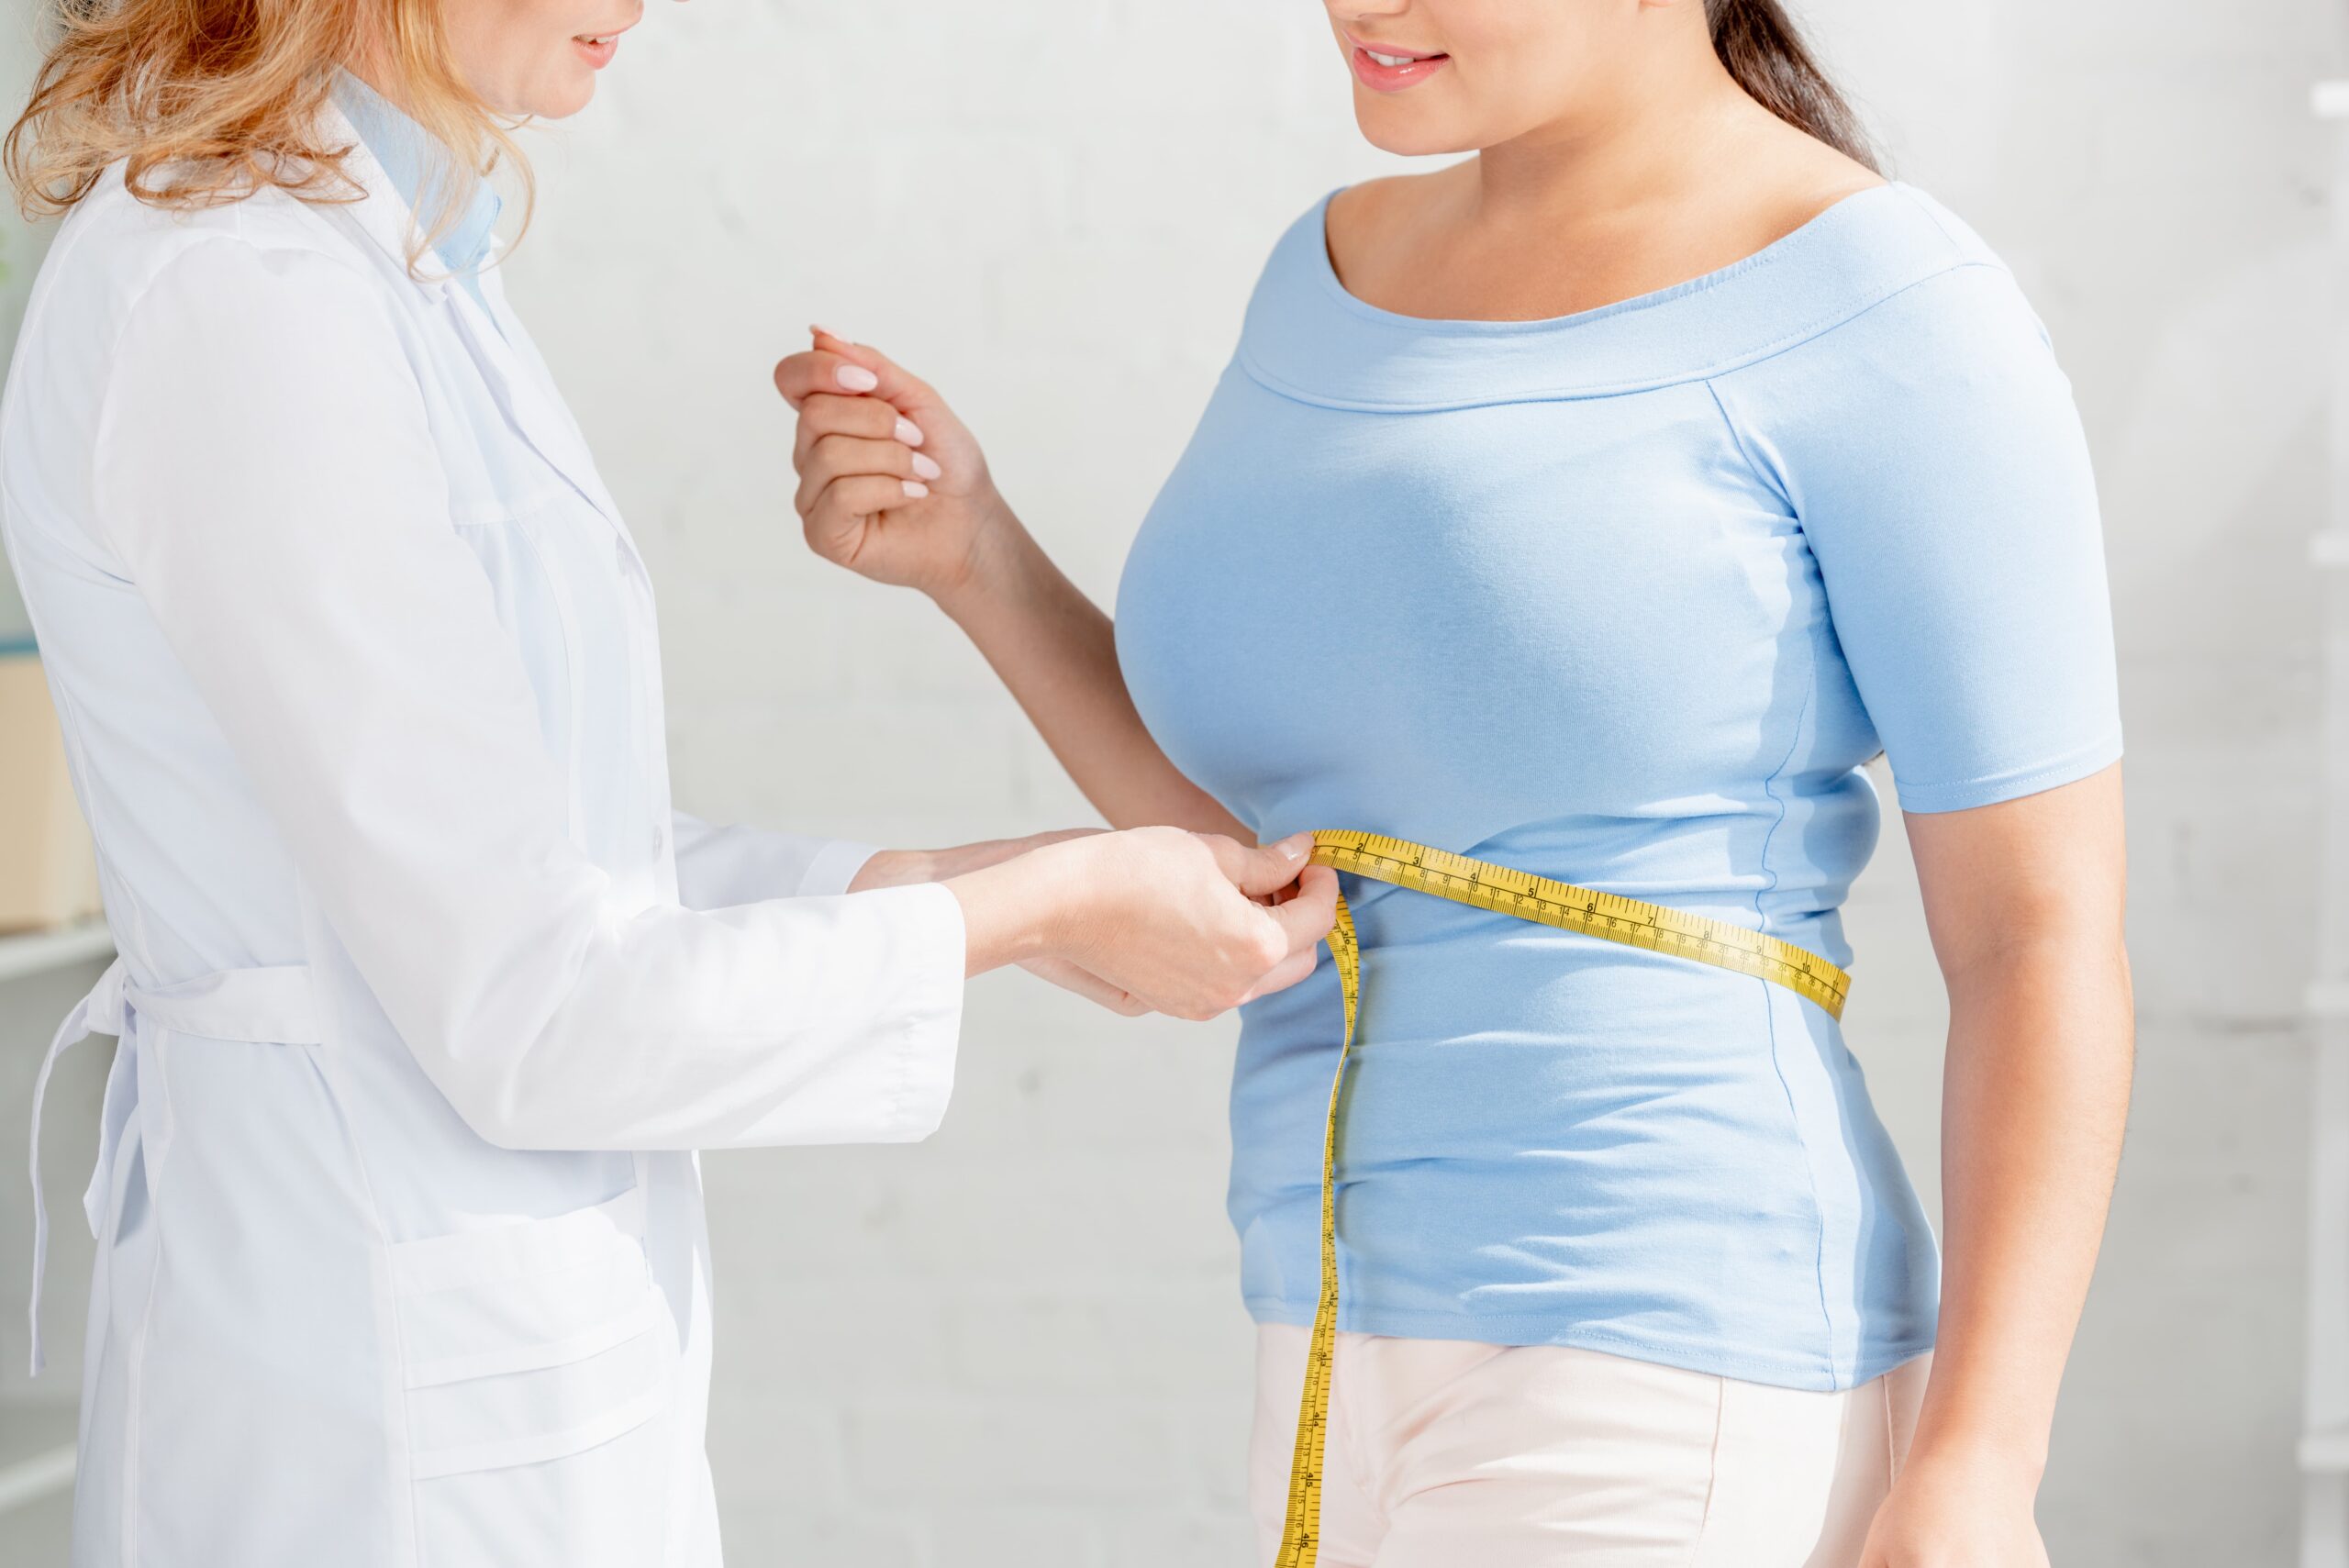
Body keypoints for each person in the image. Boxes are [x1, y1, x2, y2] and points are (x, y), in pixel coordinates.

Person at [776, 1, 2136, 1563]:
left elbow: (2038, 939)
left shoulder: (1888, 311)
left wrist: (1981, 1461)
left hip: (1670, 1343)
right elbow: (1291, 865)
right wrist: (983, 562)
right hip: (1325, 1317)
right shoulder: (1328, 269)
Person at [0, 0, 1341, 1562]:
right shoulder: (242, 296)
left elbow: (548, 858)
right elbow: (541, 1003)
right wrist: (1036, 904)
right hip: (363, 1436)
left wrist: (1019, 901)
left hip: (469, 1391)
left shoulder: (394, 259)